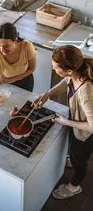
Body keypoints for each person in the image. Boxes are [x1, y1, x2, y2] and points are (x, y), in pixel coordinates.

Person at [32, 45, 93, 199]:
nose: (53, 70)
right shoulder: (76, 74)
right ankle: (73, 159)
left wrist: (65, 122)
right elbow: (67, 81)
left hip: (86, 134)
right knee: (73, 151)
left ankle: (74, 186)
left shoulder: (86, 92)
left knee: (80, 160)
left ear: (70, 70)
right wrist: (47, 94)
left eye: (55, 68)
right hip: (78, 125)